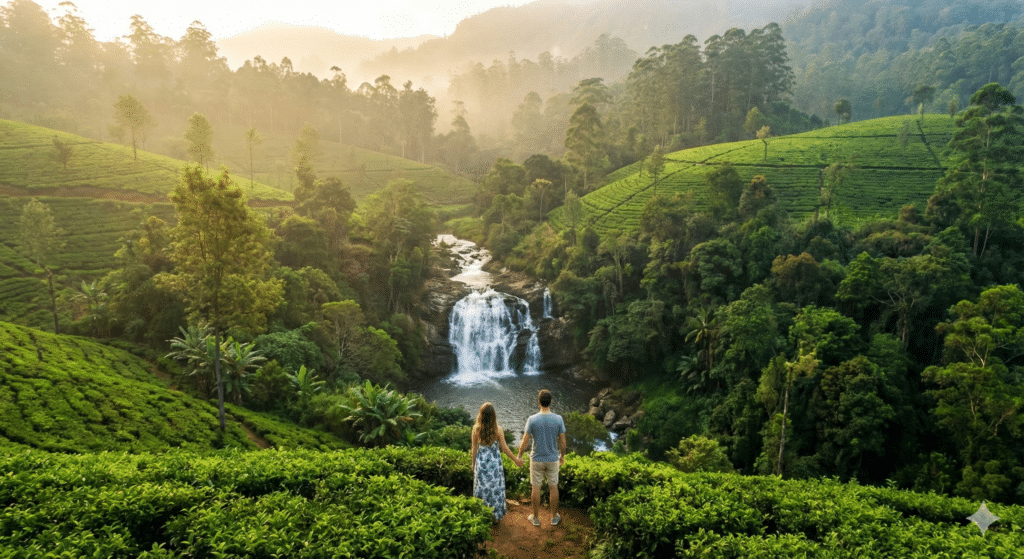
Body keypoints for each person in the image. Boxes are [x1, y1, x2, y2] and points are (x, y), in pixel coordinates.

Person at [517, 389, 567, 526]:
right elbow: (563, 442)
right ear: (551, 402)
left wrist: (519, 455)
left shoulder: (532, 419)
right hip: (552, 459)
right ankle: (554, 517)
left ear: (538, 402)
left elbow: (525, 441)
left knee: (536, 488)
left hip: (537, 459)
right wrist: (562, 456)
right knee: (553, 488)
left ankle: (536, 517)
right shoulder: (558, 419)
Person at [471, 402, 523, 523]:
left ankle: (482, 515)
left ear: (481, 414)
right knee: (495, 489)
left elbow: (474, 448)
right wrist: (516, 460)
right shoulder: (498, 429)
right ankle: (495, 516)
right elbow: (504, 448)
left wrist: (473, 464)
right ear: (493, 415)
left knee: (482, 488)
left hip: (481, 463)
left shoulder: (475, 428)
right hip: (494, 464)